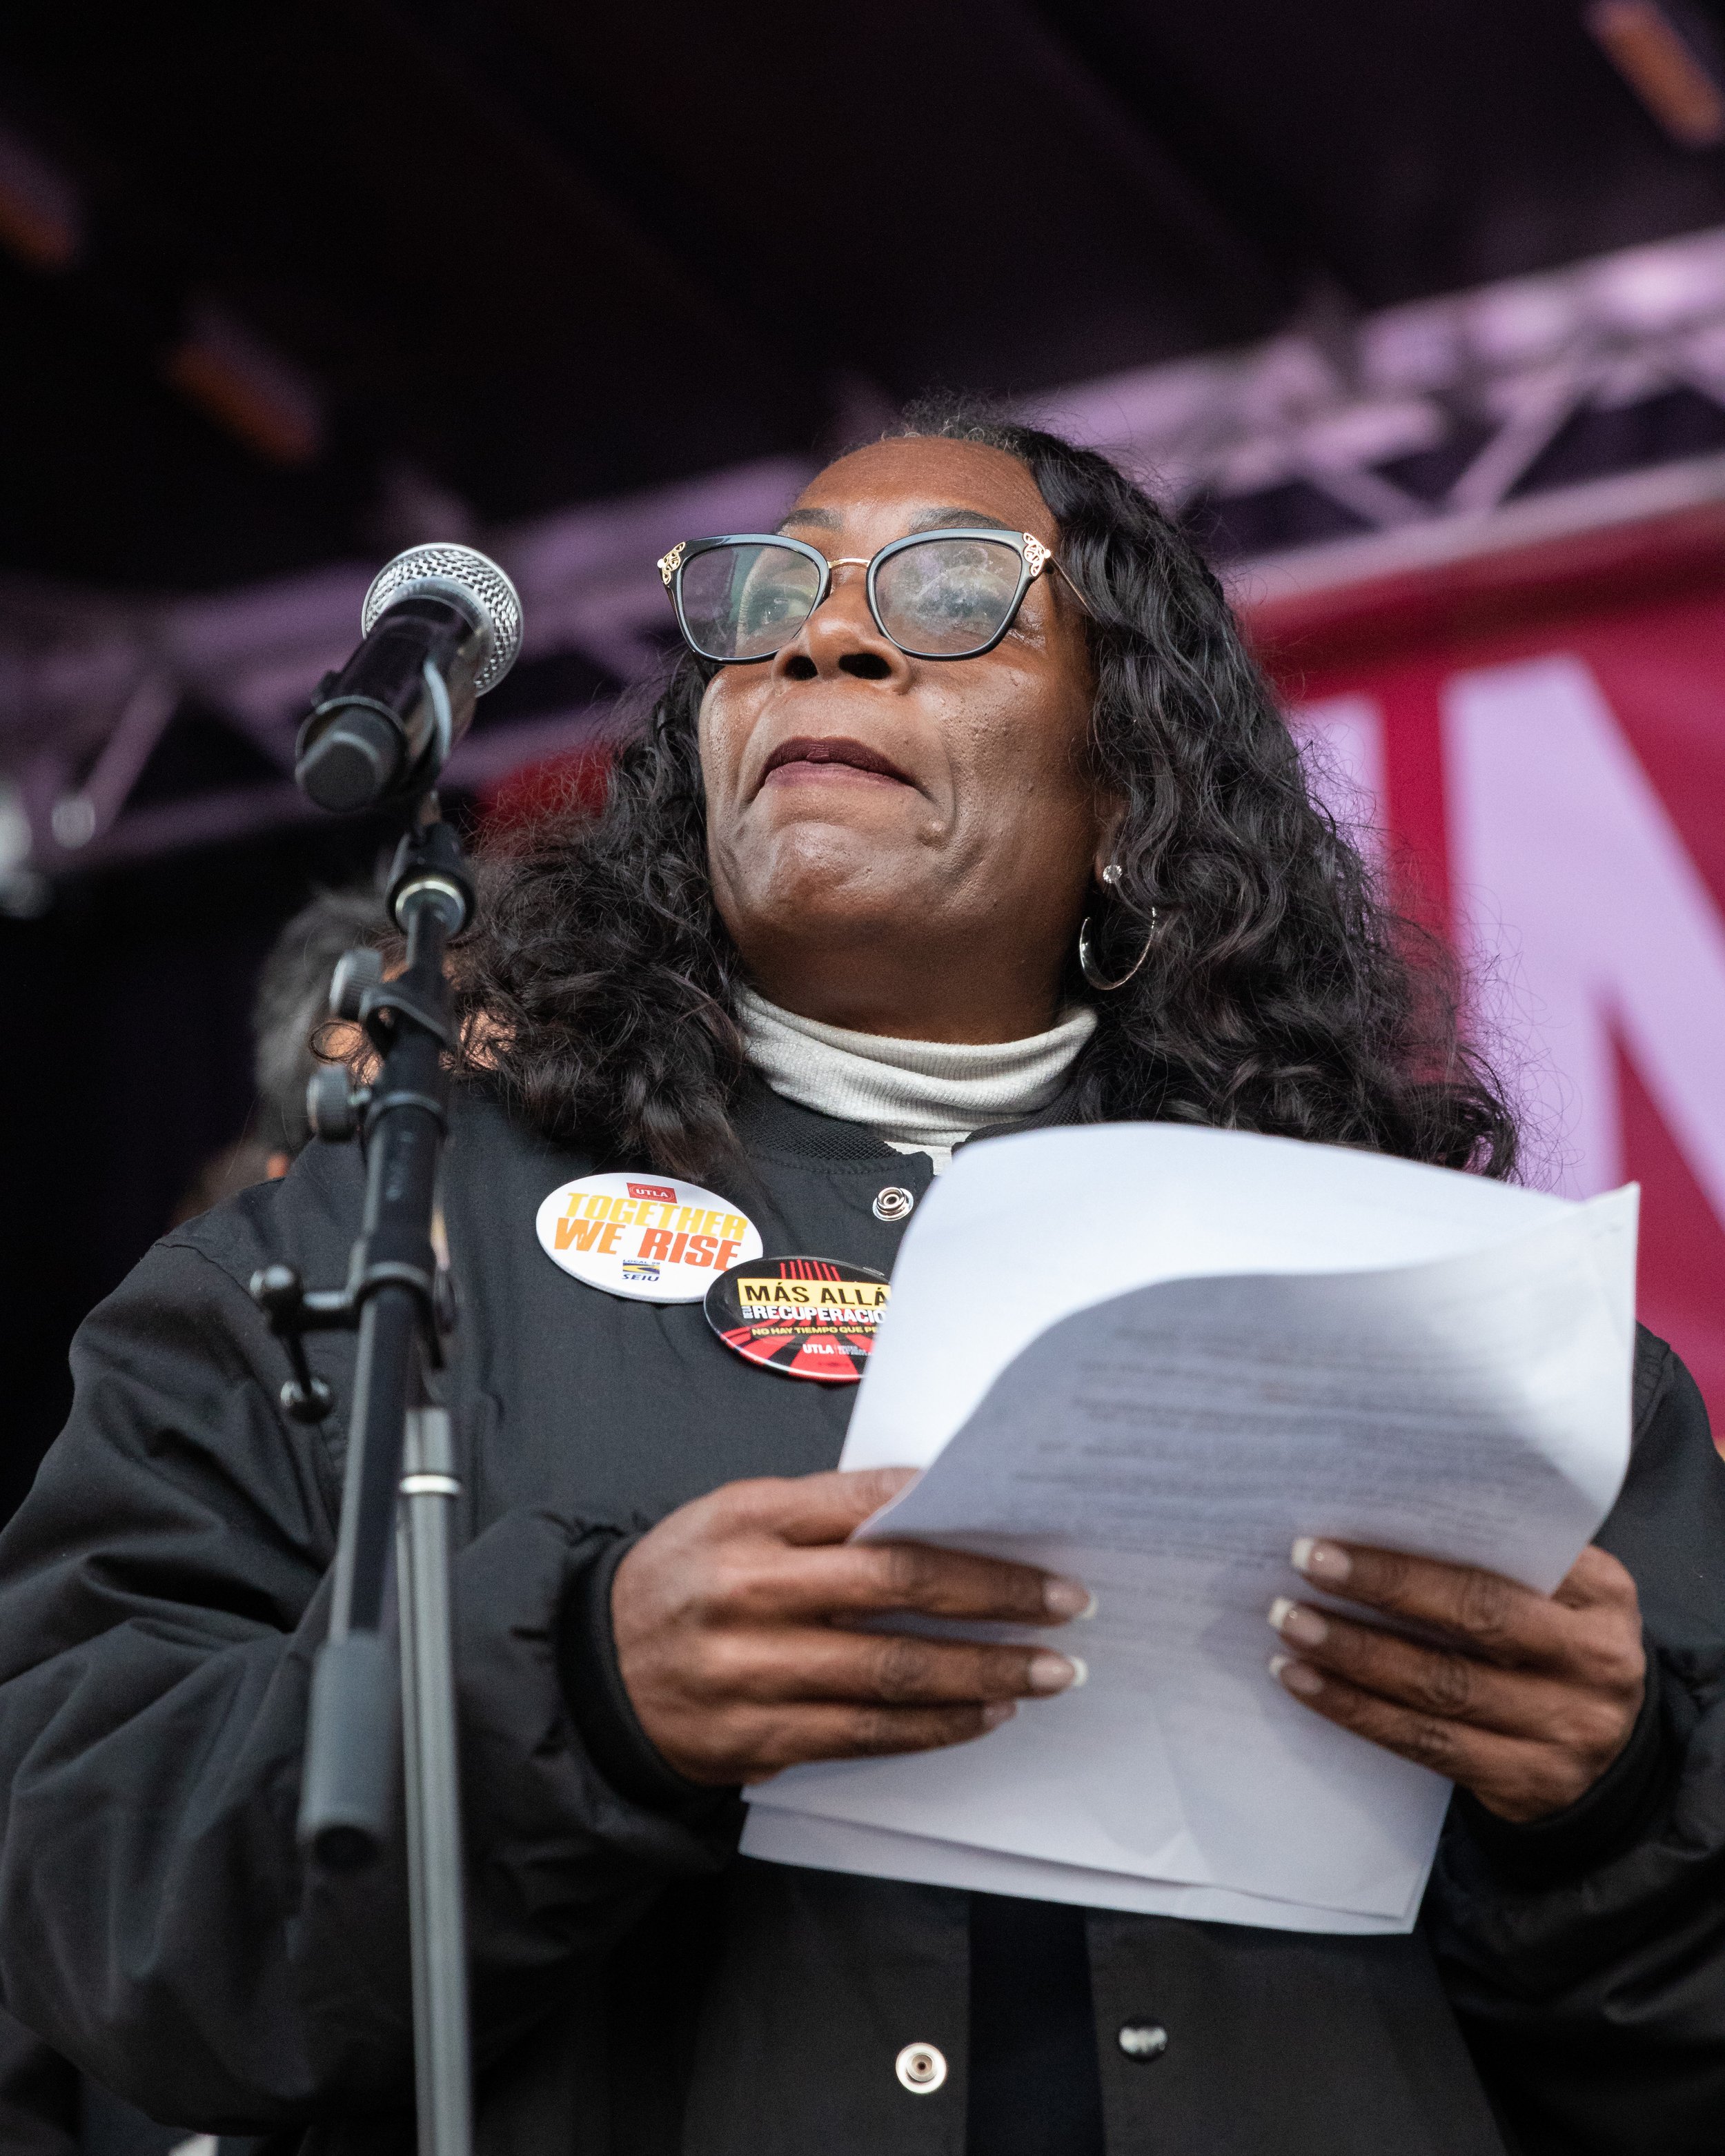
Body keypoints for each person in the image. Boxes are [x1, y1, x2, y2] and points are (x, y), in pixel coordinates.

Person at [0, 406, 1717, 2156]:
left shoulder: (1436, 1309)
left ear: (1130, 783)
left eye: (955, 590)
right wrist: (578, 1699)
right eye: (764, 602)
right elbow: (83, 1893)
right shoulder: (380, 1254)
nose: (822, 633)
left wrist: (1618, 1807)